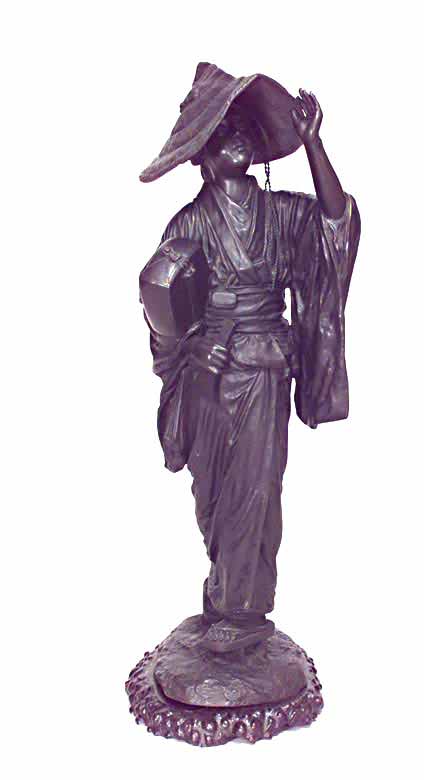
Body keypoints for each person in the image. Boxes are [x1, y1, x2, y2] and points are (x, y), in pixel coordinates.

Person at [140, 63, 360, 652]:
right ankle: (221, 595)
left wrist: (314, 146)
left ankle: (244, 613)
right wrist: (192, 349)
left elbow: (335, 224)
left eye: (241, 128)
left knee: (257, 491)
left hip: (263, 371)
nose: (235, 137)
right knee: (214, 495)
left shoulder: (281, 213)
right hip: (210, 379)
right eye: (221, 132)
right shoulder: (189, 223)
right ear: (202, 156)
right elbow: (162, 312)